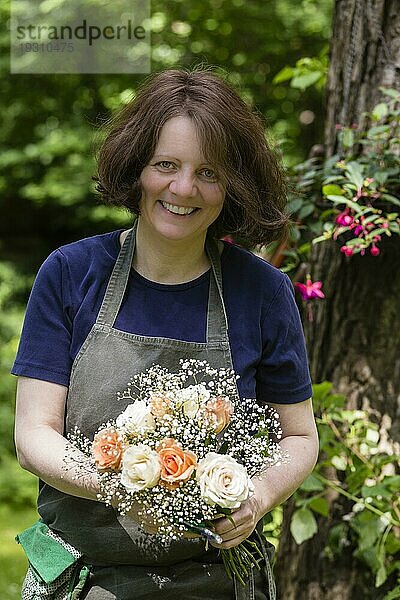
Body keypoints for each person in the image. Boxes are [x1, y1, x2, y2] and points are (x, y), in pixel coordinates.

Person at [13, 68, 319, 600]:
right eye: (166, 165)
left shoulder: (263, 291)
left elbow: (300, 437)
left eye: (208, 172)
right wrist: (117, 485)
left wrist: (259, 497)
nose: (183, 188)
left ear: (235, 184)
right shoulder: (69, 273)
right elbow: (34, 434)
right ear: (137, 169)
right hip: (85, 578)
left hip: (218, 581)